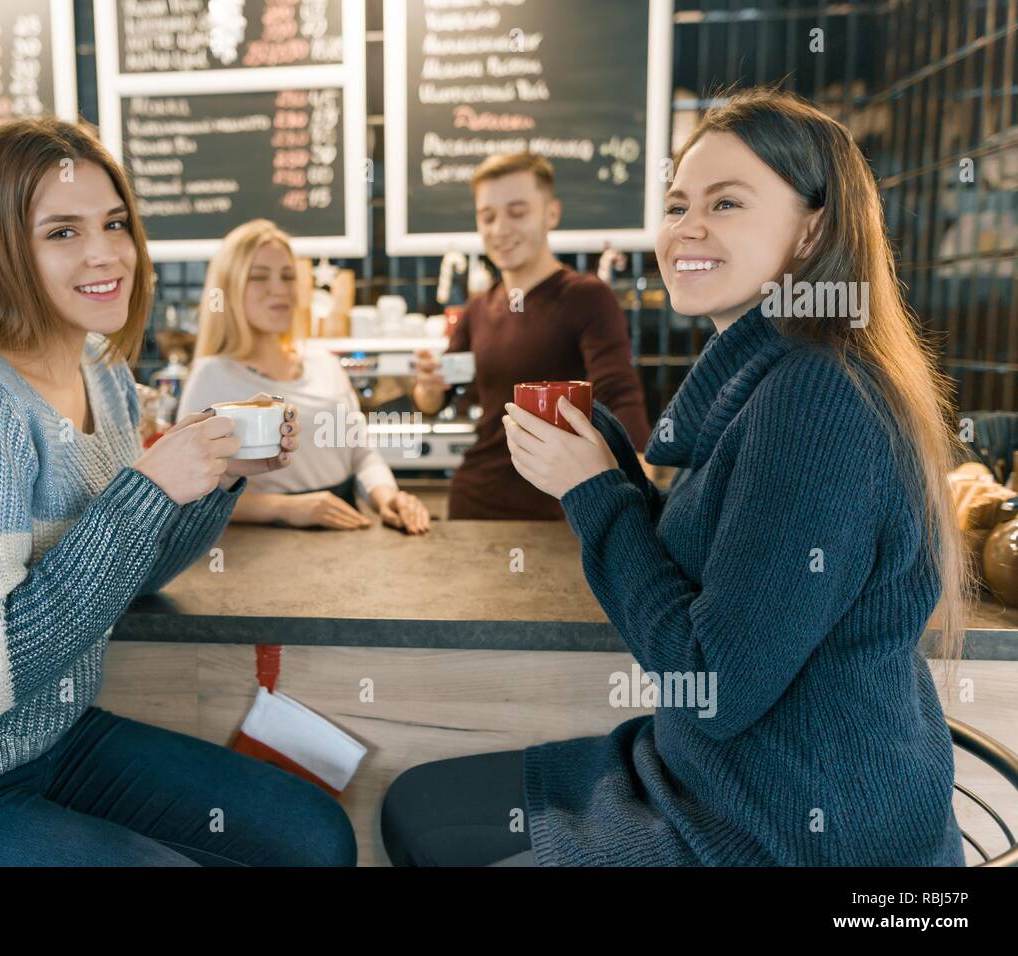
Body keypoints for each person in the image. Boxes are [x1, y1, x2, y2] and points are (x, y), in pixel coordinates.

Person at [381, 89, 971, 866]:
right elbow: (724, 569)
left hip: (787, 830)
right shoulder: (775, 373)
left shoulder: (816, 396)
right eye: (677, 203)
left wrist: (593, 492)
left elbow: (715, 684)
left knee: (424, 824)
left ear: (815, 228)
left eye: (726, 204)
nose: (687, 228)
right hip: (712, 776)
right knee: (413, 809)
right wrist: (611, 466)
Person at [0, 118, 357, 867]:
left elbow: (130, 575)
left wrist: (216, 475)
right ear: (1, 249)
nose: (105, 252)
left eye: (115, 223)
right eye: (62, 232)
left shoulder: (101, 370)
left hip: (42, 737)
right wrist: (146, 488)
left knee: (312, 836)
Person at [411, 151, 651, 520]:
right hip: (475, 501)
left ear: (551, 213)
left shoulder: (586, 297)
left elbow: (619, 391)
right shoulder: (478, 308)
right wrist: (427, 388)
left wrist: (638, 473)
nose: (499, 229)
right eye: (487, 216)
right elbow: (437, 398)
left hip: (560, 506)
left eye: (517, 212)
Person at [177, 219, 430, 534]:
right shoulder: (213, 375)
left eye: (287, 276)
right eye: (259, 277)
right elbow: (188, 490)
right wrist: (286, 507)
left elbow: (360, 453)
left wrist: (387, 497)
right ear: (228, 289)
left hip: (344, 527)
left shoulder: (324, 363)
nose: (278, 289)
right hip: (264, 543)